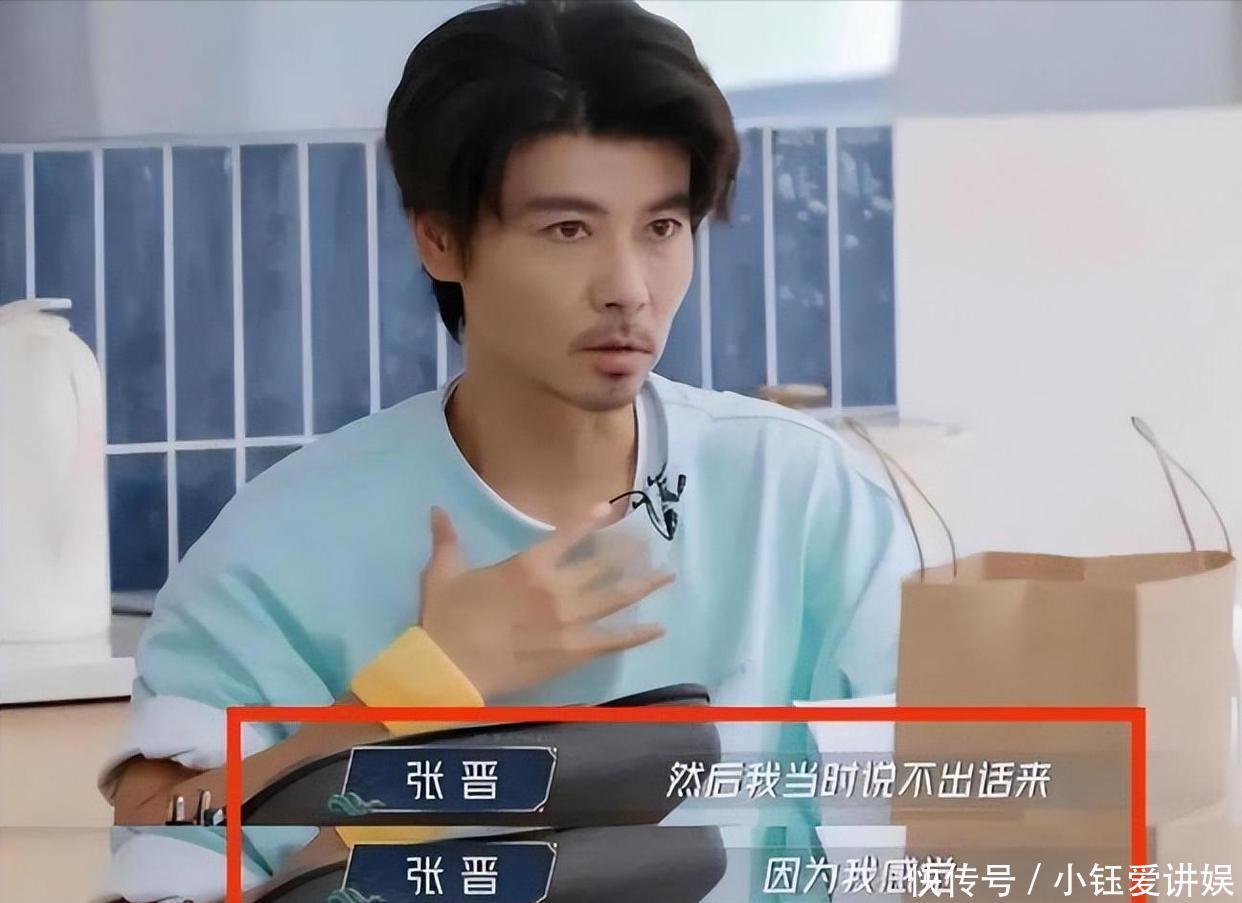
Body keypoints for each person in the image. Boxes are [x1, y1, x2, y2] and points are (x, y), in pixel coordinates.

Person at [97, 0, 912, 898]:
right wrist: (418, 694)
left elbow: (935, 830)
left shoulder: (800, 495)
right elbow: (171, 847)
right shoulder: (273, 555)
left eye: (662, 228)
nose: (627, 289)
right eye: (568, 229)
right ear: (440, 236)